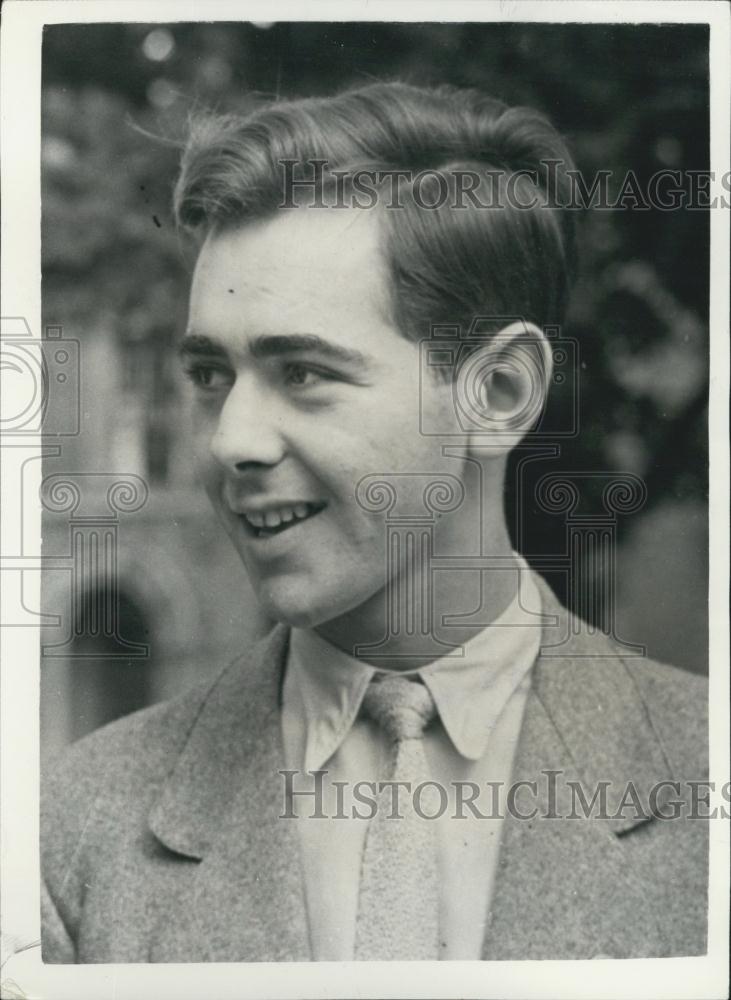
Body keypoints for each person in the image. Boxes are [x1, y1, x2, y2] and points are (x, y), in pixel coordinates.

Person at [41, 82, 707, 963]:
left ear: (498, 394)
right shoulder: (74, 826)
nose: (230, 440)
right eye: (211, 375)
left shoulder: (702, 775)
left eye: (304, 373)